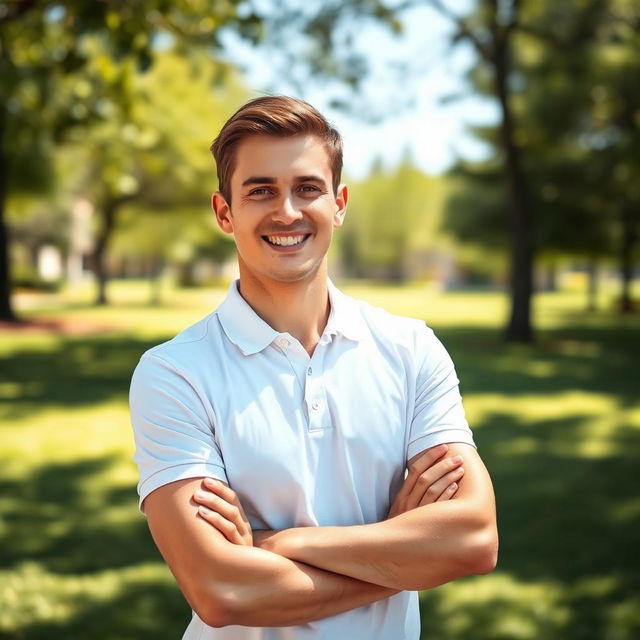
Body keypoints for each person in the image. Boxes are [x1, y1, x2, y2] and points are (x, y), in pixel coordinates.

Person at [129, 95, 498, 640]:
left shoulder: (412, 349)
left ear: (340, 203)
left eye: (308, 188)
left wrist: (277, 545)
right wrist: (403, 551)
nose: (287, 212)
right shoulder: (174, 374)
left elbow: (473, 539)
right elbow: (220, 590)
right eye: (260, 190)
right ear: (224, 212)